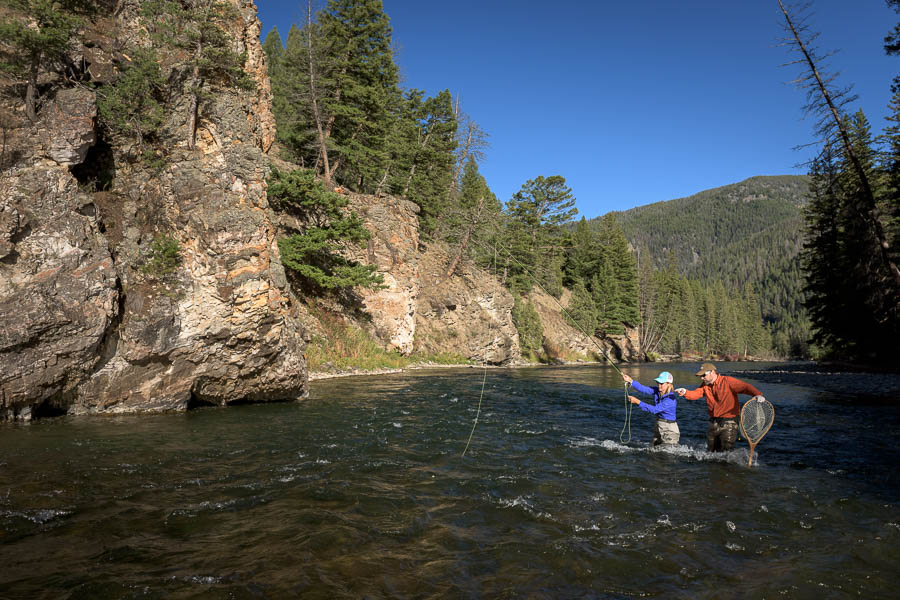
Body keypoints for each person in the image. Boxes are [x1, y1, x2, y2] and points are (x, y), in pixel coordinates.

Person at [675, 362, 766, 452]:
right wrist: (685, 392)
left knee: (726, 451)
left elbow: (745, 387)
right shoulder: (705, 385)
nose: (702, 378)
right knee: (711, 452)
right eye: (700, 376)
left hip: (729, 422)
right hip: (713, 422)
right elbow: (696, 393)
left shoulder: (728, 381)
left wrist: (757, 394)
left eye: (704, 375)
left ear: (712, 372)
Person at [621, 371, 679, 446]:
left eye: (662, 383)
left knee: (667, 456)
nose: (659, 385)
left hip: (670, 430)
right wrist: (631, 381)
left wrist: (637, 402)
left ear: (669, 384)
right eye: (658, 383)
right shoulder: (657, 391)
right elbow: (643, 388)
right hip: (659, 425)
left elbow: (654, 410)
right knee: (654, 453)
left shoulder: (670, 399)